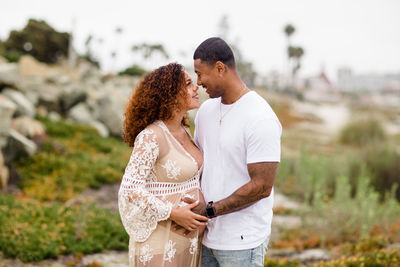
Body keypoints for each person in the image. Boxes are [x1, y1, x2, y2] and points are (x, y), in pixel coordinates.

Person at [190, 37, 282, 267]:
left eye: (200, 73)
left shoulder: (260, 116)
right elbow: (198, 165)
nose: (198, 82)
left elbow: (262, 186)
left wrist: (210, 210)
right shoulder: (205, 112)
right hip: (206, 238)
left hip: (243, 242)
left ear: (220, 68)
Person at [118, 63, 209, 267]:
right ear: (170, 94)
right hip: (160, 242)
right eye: (187, 84)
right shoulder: (152, 136)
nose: (196, 87)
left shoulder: (185, 130)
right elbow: (130, 189)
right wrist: (174, 213)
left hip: (188, 243)